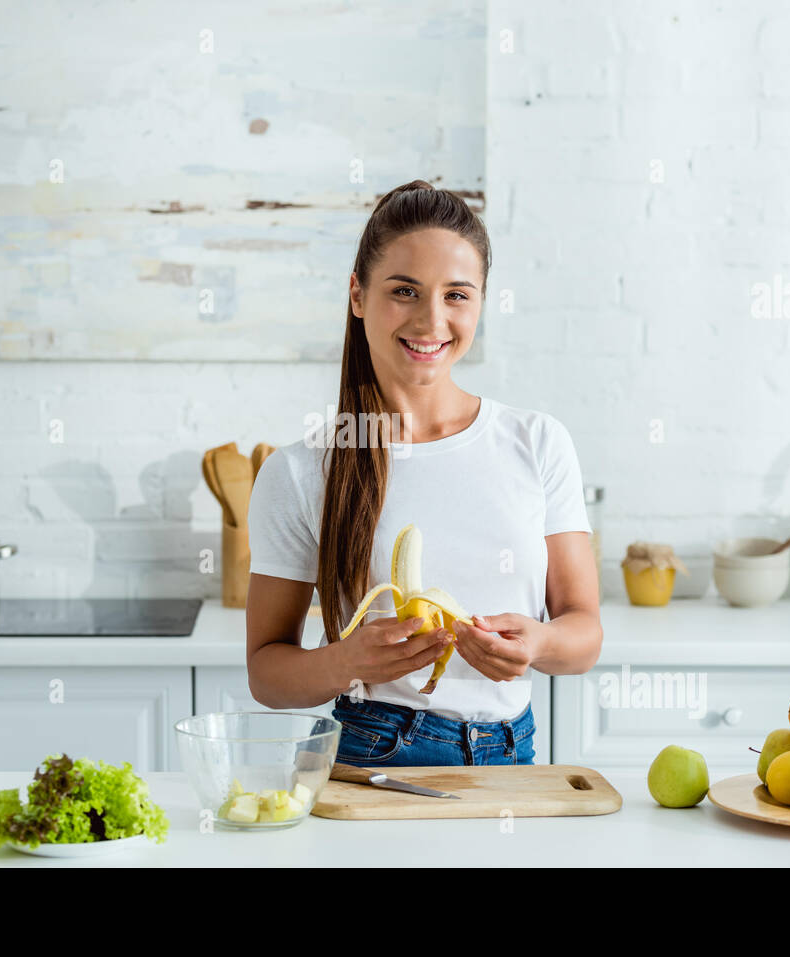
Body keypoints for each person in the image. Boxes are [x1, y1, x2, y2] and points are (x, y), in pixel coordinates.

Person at [246, 179, 602, 766]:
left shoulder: (538, 442)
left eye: (457, 295)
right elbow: (266, 672)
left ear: (481, 302)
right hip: (376, 752)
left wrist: (539, 643)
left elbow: (583, 634)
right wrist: (346, 661)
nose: (431, 320)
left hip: (513, 753)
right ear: (357, 294)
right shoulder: (301, 471)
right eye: (405, 291)